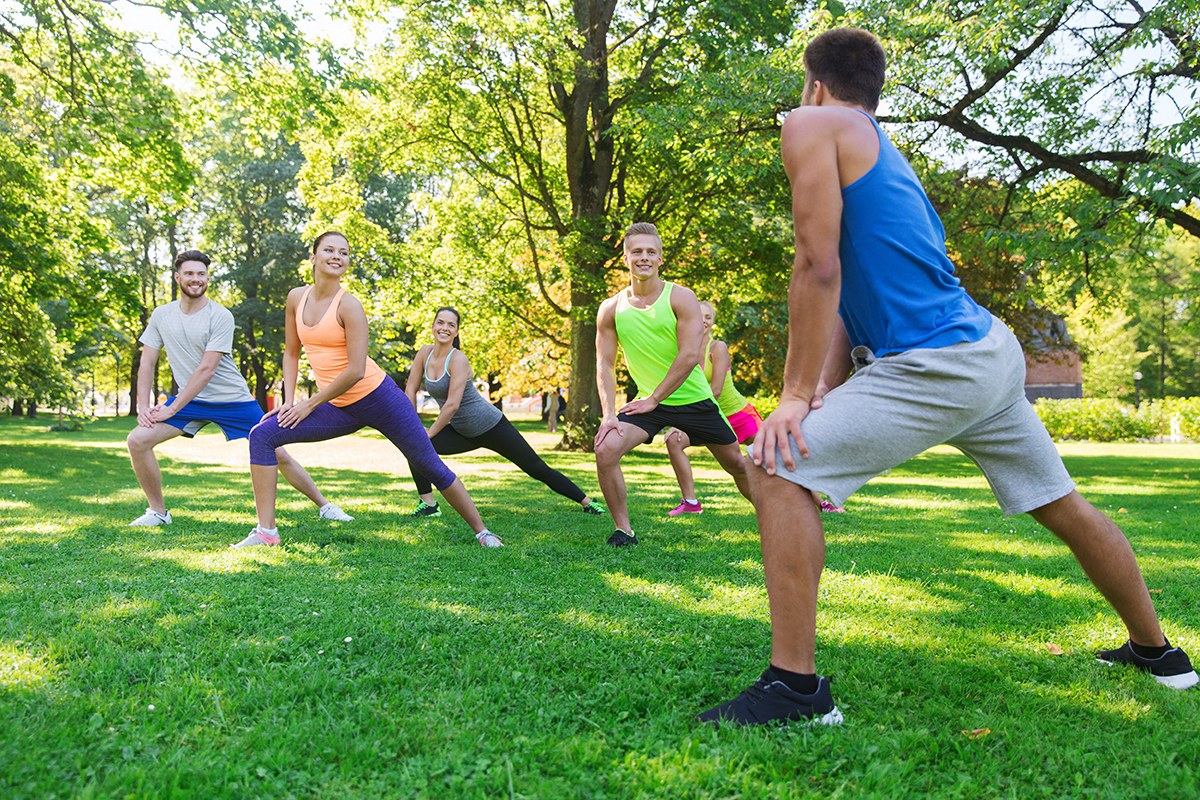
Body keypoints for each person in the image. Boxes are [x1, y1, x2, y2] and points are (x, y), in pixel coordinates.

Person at [699, 27, 1196, 728]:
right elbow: (849, 285)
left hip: (938, 363)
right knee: (1062, 503)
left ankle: (797, 692)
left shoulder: (811, 123)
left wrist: (786, 400)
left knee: (775, 467)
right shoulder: (880, 152)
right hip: (986, 353)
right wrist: (821, 389)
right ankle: (1162, 657)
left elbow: (815, 267)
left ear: (813, 85)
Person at [239, 233, 502, 548]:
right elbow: (291, 353)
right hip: (338, 406)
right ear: (312, 257)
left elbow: (355, 370)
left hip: (380, 399)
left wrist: (308, 404)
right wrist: (288, 401)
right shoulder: (296, 298)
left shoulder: (349, 306)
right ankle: (267, 533)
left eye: (344, 252)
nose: (337, 256)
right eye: (329, 250)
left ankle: (483, 532)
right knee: (262, 435)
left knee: (429, 464)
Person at [126, 250, 352, 528]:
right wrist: (144, 407)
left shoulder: (220, 316)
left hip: (231, 400)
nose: (195, 279)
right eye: (189, 274)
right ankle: (158, 512)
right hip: (190, 400)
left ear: (208, 278)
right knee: (137, 441)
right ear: (177, 278)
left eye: (200, 274)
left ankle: (326, 506)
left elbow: (207, 369)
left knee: (277, 452)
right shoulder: (162, 315)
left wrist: (171, 407)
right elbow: (147, 362)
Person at [594, 222, 752, 546]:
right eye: (636, 251)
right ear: (625, 257)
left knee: (736, 463)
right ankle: (623, 530)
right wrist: (609, 414)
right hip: (648, 403)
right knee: (606, 449)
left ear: (660, 258)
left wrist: (654, 397)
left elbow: (691, 355)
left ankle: (771, 513)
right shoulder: (611, 308)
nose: (644, 257)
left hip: (693, 400)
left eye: (651, 252)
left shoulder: (681, 297)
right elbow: (604, 365)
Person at [402, 307, 606, 518]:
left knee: (536, 468)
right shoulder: (424, 354)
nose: (444, 328)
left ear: (456, 332)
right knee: (414, 446)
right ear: (433, 325)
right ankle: (429, 504)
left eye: (451, 325)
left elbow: (452, 404)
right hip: (461, 431)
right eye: (440, 322)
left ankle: (588, 502)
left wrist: (430, 432)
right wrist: (414, 426)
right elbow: (410, 390)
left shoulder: (458, 359)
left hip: (491, 426)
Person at [664, 300, 827, 516]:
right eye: (699, 316)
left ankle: (822, 504)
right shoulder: (680, 350)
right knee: (674, 441)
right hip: (709, 416)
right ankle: (691, 502)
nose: (703, 321)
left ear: (713, 323)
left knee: (776, 456)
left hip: (737, 415)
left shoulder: (717, 348)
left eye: (708, 317)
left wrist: (685, 419)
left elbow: (716, 392)